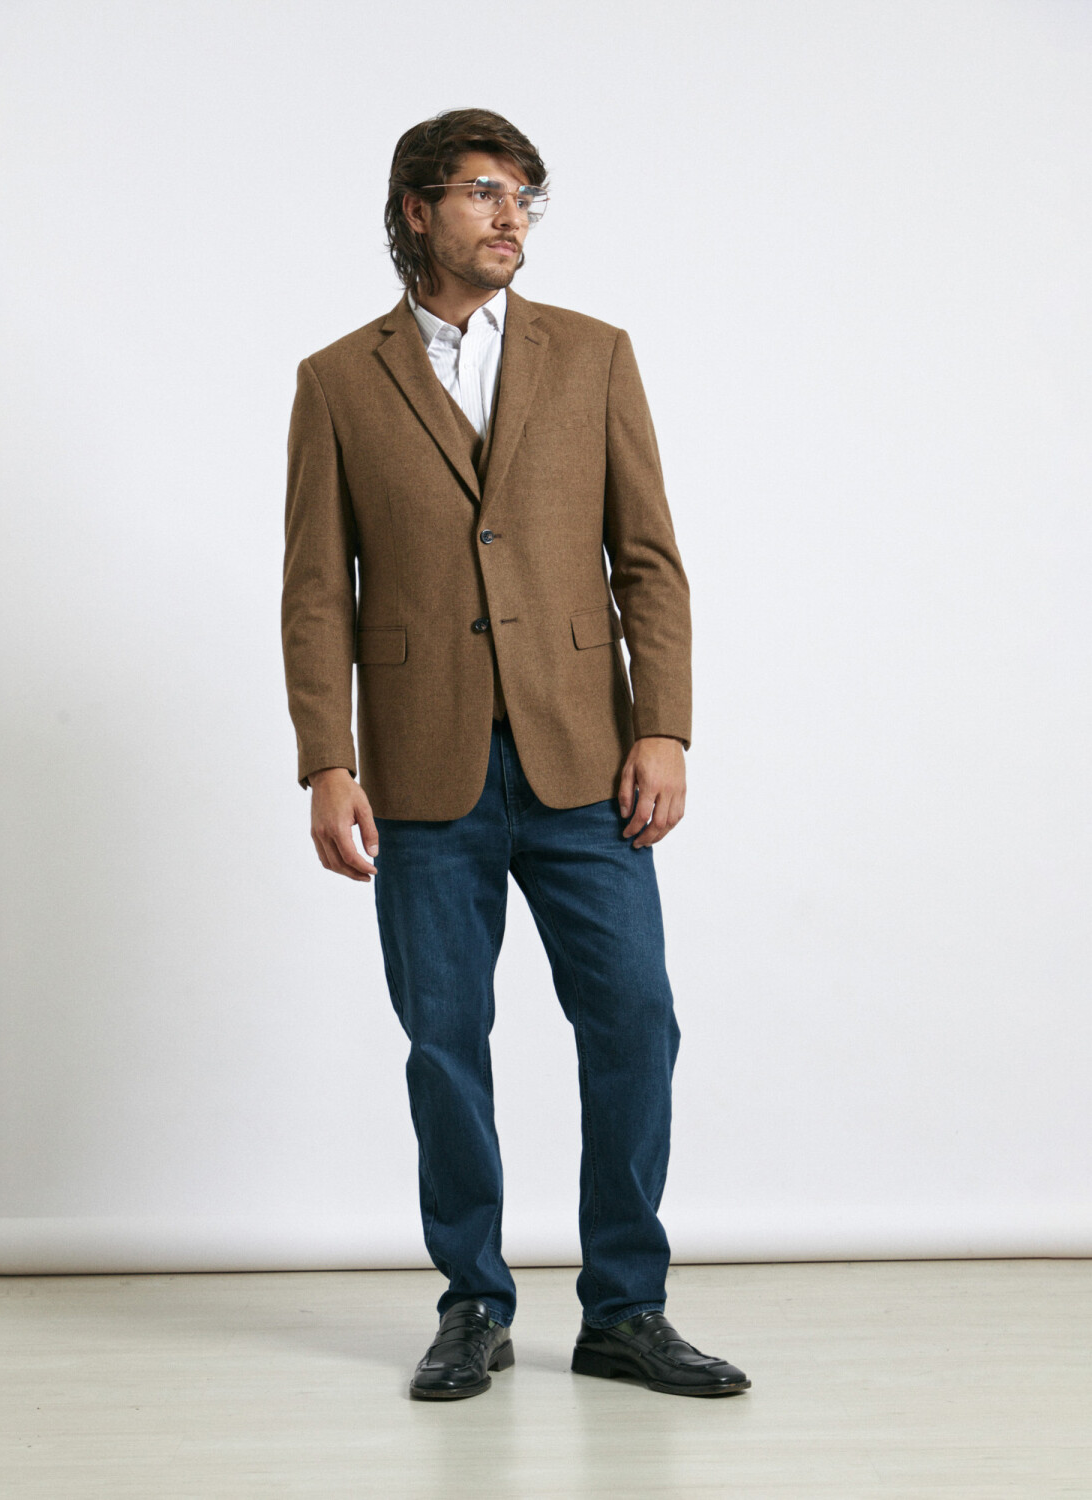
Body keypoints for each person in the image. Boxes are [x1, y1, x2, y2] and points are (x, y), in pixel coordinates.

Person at [281, 107, 750, 1402]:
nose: (511, 215)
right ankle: (472, 1302)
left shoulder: (592, 356)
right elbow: (315, 591)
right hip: (422, 765)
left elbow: (647, 559)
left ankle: (626, 1309)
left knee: (635, 1020)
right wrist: (327, 758)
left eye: (527, 195)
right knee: (445, 1041)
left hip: (585, 759)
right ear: (417, 209)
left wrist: (663, 726)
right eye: (486, 190)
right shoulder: (338, 380)